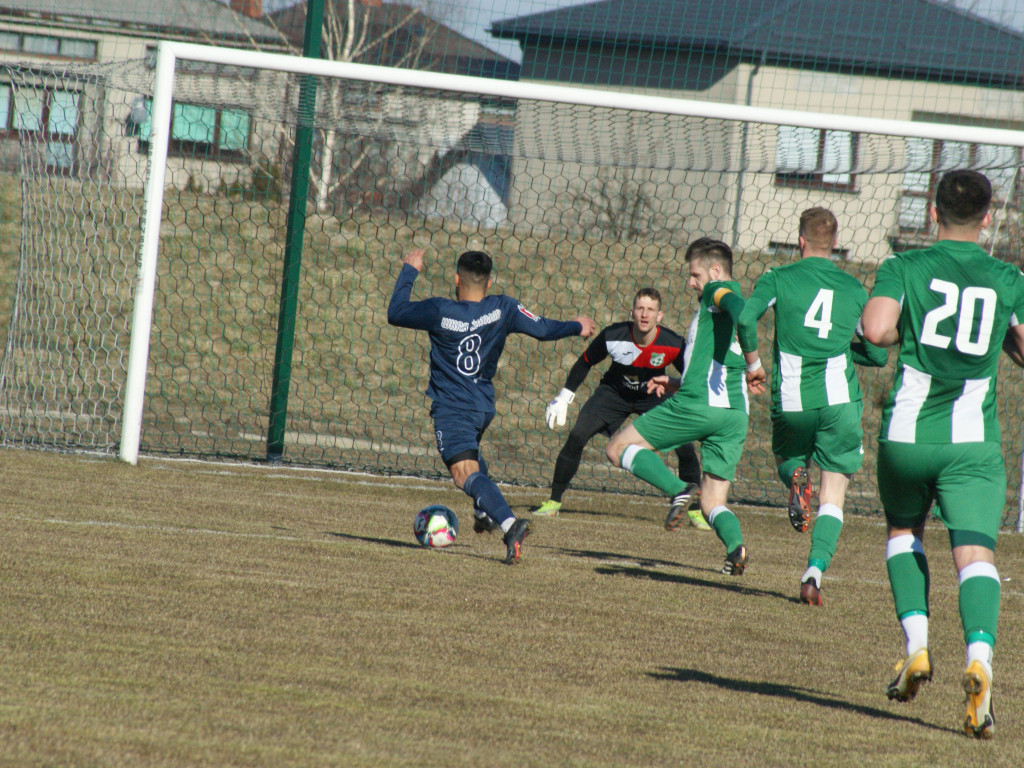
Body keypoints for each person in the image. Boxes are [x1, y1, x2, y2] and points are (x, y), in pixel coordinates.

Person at [861, 169, 1024, 739]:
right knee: (975, 554)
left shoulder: (903, 266)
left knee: (904, 533)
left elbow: (876, 329)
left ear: (932, 213)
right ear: (988, 217)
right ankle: (979, 659)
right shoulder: (1009, 277)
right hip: (972, 444)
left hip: (907, 435)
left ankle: (917, 647)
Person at [388, 247, 595, 565]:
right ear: (488, 283)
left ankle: (511, 525)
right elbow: (542, 329)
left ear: (456, 279)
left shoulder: (438, 310)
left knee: (463, 473)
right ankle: (483, 509)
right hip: (482, 406)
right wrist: (575, 325)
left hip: (453, 408)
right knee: (472, 459)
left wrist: (409, 270)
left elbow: (396, 312)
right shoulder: (503, 308)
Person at [737, 207, 887, 605]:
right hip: (840, 400)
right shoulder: (855, 290)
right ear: (834, 244)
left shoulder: (777, 278)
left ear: (800, 240)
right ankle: (814, 571)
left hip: (792, 397)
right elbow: (877, 354)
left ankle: (796, 477)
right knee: (834, 493)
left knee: (789, 458)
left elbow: (746, 319)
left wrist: (753, 364)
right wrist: (840, 349)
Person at [605, 238, 764, 575]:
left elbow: (745, 315)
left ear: (716, 271)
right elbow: (715, 361)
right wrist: (675, 381)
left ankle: (679, 489)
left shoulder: (716, 292)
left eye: (695, 274)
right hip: (734, 415)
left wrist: (755, 364)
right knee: (712, 503)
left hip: (700, 406)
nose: (691, 282)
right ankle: (736, 549)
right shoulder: (712, 311)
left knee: (617, 448)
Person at [535, 287, 707, 530]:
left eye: (650, 310)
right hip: (613, 393)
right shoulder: (613, 335)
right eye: (640, 309)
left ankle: (694, 511)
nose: (644, 315)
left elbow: (690, 378)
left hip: (652, 394)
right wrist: (564, 397)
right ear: (632, 312)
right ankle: (553, 502)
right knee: (577, 435)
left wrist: (691, 406)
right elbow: (585, 362)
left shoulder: (673, 344)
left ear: (660, 316)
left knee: (685, 447)